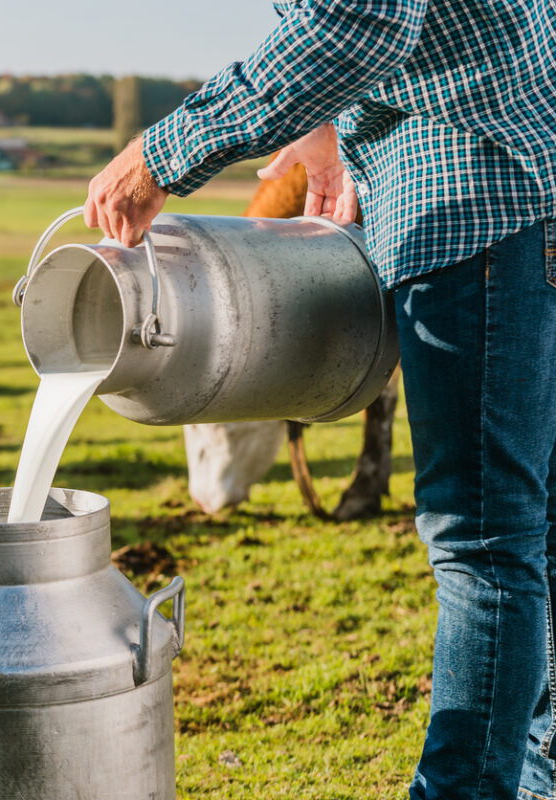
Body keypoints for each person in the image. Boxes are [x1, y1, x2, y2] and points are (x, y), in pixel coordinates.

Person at [83, 2, 556, 798]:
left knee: (483, 538)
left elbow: (352, 26)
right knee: (528, 528)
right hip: (520, 184)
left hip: (477, 199)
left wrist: (157, 158)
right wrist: (329, 126)